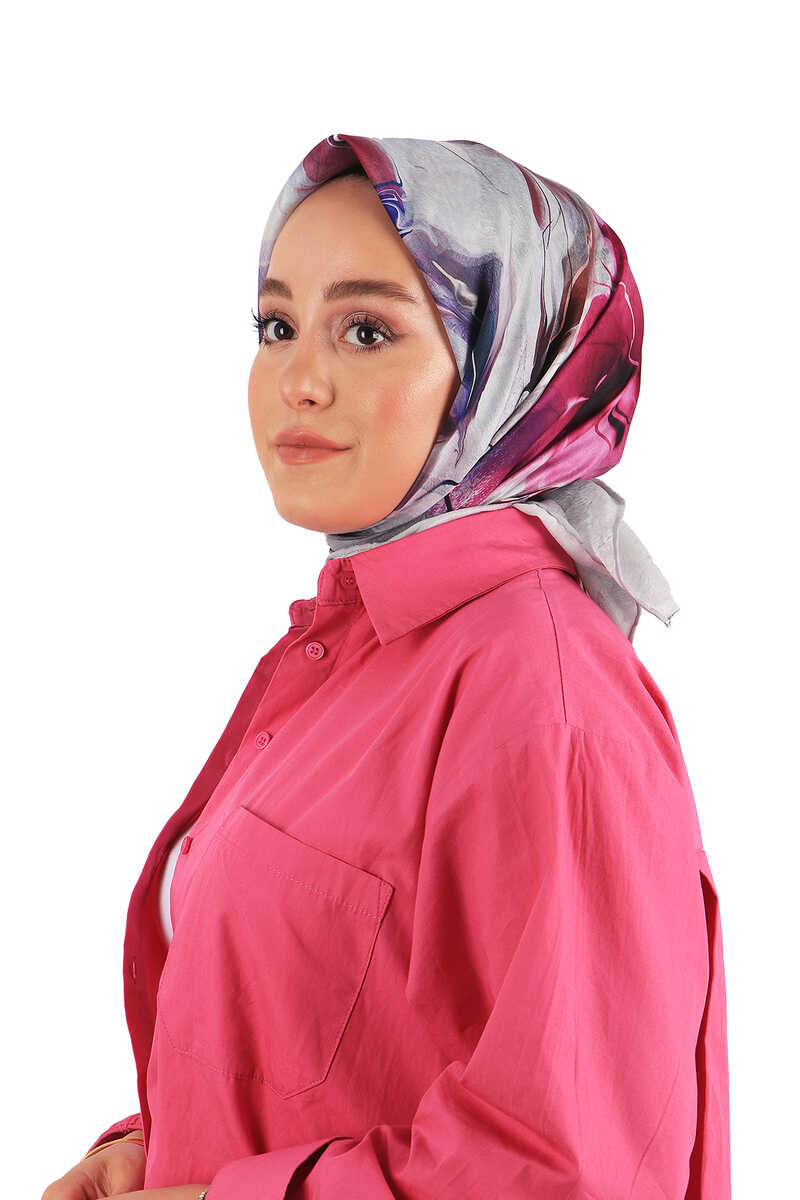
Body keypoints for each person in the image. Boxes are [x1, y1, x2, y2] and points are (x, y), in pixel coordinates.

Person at [42, 133, 731, 1200]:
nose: (299, 380)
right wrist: (150, 1149)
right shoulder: (347, 652)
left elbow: (571, 1168)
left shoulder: (541, 695)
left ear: (512, 367)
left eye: (366, 330)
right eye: (276, 326)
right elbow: (340, 1043)